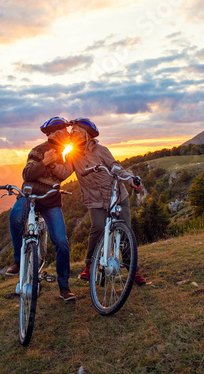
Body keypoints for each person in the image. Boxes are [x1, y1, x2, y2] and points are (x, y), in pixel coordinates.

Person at [68, 117, 146, 286]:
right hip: (95, 200)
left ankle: (133, 270)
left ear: (85, 135)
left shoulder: (100, 150)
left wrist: (130, 180)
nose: (71, 135)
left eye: (75, 132)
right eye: (71, 132)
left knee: (125, 232)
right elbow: (62, 171)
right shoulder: (72, 156)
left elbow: (116, 167)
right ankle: (89, 266)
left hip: (117, 196)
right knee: (97, 227)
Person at [6, 117, 76, 301]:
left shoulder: (69, 154)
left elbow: (64, 175)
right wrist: (43, 163)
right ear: (57, 132)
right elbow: (27, 175)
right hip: (30, 196)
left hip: (50, 200)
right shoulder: (37, 150)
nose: (68, 135)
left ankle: (64, 287)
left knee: (61, 242)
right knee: (14, 217)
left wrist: (53, 164)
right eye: (65, 131)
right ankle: (18, 260)